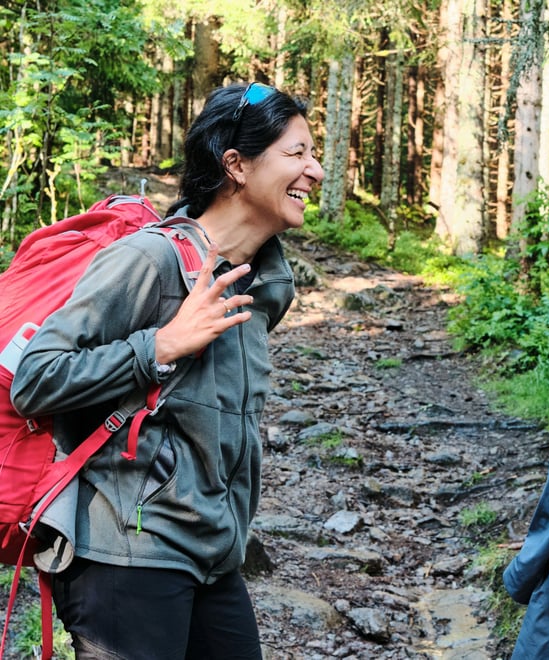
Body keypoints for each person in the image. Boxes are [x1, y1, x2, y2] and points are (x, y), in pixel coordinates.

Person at [11, 81, 323, 658]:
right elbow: (37, 379)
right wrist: (160, 346)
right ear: (236, 165)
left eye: (314, 154)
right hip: (126, 555)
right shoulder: (149, 260)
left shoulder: (265, 284)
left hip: (214, 554)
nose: (316, 170)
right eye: (297, 153)